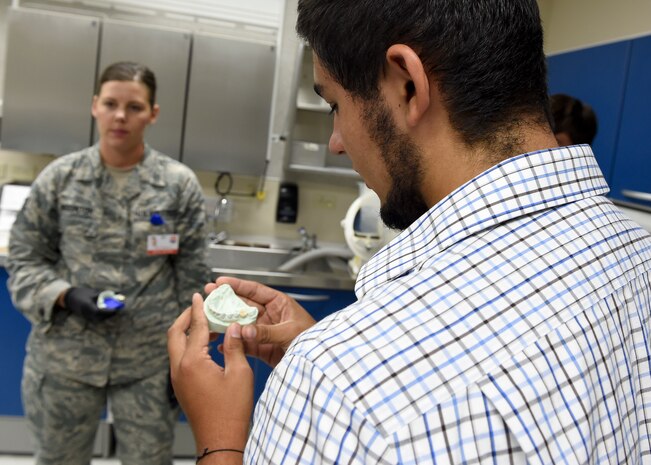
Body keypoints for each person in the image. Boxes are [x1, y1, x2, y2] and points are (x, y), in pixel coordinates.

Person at [168, 1, 651, 464]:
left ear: (407, 85)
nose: (337, 142)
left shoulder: (336, 383)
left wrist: (220, 443)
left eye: (335, 104)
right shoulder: (639, 254)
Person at [7, 61, 209, 465]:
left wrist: (186, 358)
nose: (121, 116)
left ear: (152, 114)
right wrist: (66, 295)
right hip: (66, 356)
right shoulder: (60, 179)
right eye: (111, 103)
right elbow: (24, 259)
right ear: (95, 106)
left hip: (147, 362)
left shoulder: (177, 184)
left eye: (134, 107)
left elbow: (193, 279)